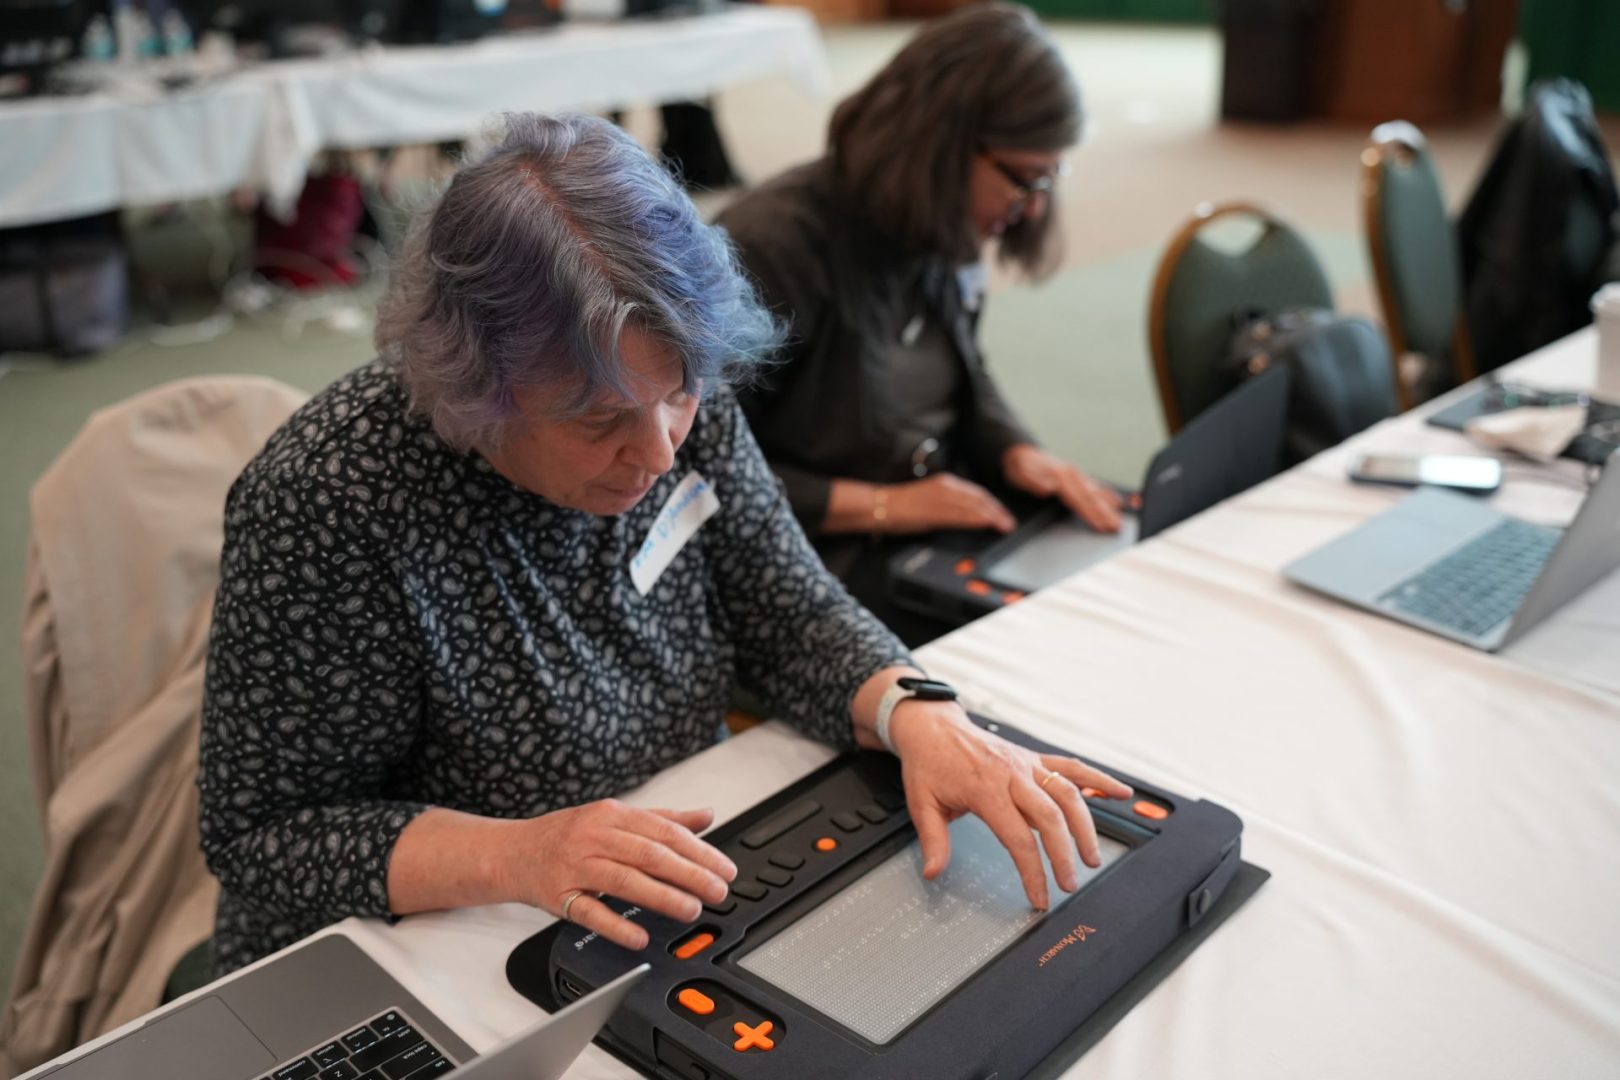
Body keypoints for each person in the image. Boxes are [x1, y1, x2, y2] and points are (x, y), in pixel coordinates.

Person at [196, 113, 1131, 976]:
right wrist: (518, 851)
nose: (656, 451)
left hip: (652, 888)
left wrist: (921, 716)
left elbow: (786, 608)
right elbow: (266, 835)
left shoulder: (669, 384)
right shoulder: (328, 504)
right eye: (598, 419)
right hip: (423, 946)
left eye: (681, 392)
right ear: (475, 389)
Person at [717, 3, 1123, 646]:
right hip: (812, 554)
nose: (1034, 208)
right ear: (945, 147)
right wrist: (886, 506)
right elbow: (696, 473)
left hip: (936, 504)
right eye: (1026, 180)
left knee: (1110, 557)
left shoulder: (937, 226)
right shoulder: (775, 249)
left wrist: (1015, 449)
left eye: (1049, 179)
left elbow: (961, 370)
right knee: (1055, 634)